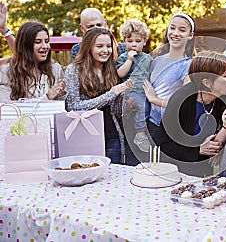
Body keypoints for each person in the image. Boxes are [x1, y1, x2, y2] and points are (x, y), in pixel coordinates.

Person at [154, 51, 226, 176]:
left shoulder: (224, 99)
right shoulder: (180, 100)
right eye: (225, 75)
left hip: (202, 168)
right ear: (207, 83)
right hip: (175, 170)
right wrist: (198, 150)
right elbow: (163, 143)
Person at [64, 27, 135, 164]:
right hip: (86, 137)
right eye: (99, 46)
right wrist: (111, 94)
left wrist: (124, 97)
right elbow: (74, 107)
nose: (105, 50)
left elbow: (114, 111)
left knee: (113, 178)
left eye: (108, 46)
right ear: (88, 47)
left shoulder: (111, 70)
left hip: (112, 136)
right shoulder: (74, 70)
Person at [143, 12, 195, 139]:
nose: (175, 33)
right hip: (151, 124)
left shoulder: (189, 65)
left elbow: (185, 103)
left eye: (182, 30)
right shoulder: (156, 61)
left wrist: (154, 99)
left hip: (171, 127)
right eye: (172, 28)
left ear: (190, 35)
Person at [0, 21, 65, 100]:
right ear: (25, 46)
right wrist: (46, 98)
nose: (45, 46)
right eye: (38, 42)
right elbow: (9, 108)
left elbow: (62, 105)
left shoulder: (55, 69)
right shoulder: (7, 72)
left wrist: (61, 95)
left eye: (47, 41)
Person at [115, 19, 152, 152]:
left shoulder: (148, 58)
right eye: (129, 41)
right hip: (130, 92)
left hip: (144, 91)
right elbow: (120, 73)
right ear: (124, 41)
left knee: (147, 108)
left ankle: (143, 131)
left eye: (138, 41)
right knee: (141, 107)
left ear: (144, 41)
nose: (134, 45)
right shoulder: (124, 57)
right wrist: (130, 60)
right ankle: (140, 134)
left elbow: (151, 73)